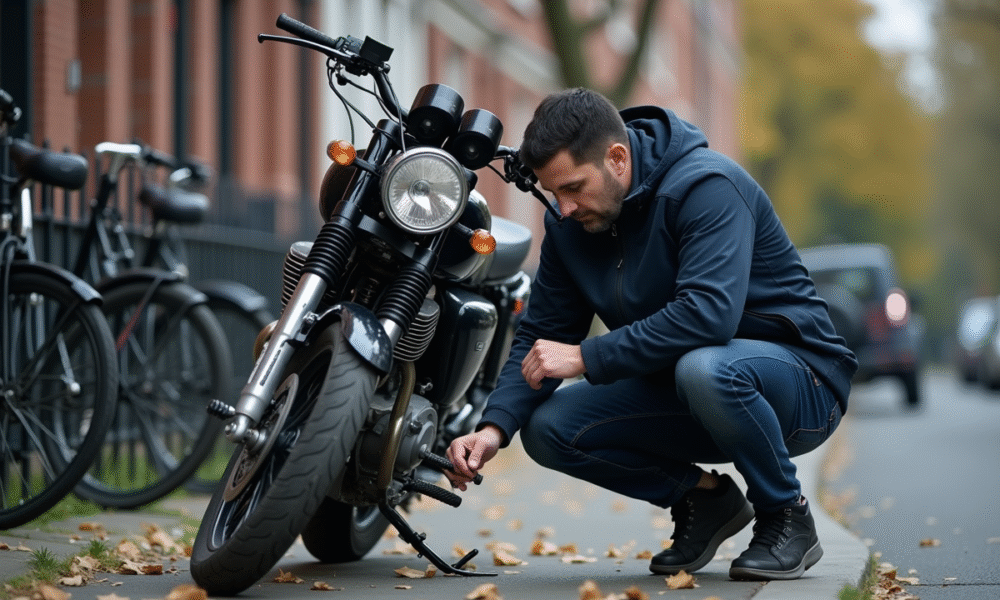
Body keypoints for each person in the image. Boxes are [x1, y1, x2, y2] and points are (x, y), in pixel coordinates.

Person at [445, 88, 857, 581]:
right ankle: (704, 501)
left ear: (617, 158)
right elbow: (541, 332)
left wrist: (586, 356)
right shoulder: (571, 226)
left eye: (574, 187)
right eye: (555, 193)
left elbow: (708, 316)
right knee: (548, 427)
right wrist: (494, 428)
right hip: (688, 389)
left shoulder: (707, 187)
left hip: (800, 387)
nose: (565, 207)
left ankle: (786, 515)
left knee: (705, 366)